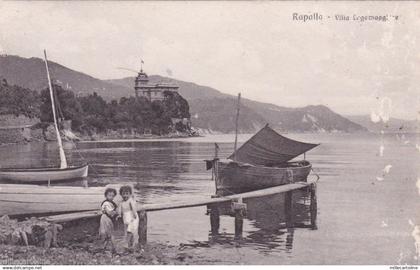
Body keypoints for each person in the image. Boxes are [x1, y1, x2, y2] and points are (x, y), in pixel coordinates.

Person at [118, 185, 139, 250]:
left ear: (130, 194)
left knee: (130, 230)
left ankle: (127, 244)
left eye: (127, 194)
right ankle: (130, 245)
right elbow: (119, 209)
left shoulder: (130, 200)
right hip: (126, 217)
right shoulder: (121, 202)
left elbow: (133, 207)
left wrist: (134, 214)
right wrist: (119, 215)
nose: (125, 195)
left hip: (132, 217)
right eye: (123, 194)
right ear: (121, 194)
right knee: (126, 231)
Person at [99, 187, 118, 252]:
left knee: (107, 234)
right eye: (109, 195)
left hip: (108, 219)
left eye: (113, 196)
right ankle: (114, 248)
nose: (111, 197)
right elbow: (110, 213)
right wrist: (115, 212)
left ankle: (104, 247)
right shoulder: (106, 203)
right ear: (106, 195)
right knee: (110, 234)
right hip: (105, 219)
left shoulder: (111, 203)